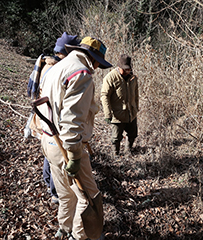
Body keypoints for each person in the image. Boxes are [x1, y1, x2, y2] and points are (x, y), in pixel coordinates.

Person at [38, 36, 112, 240]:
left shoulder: (57, 67)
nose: (98, 68)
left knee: (65, 193)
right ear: (94, 58)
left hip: (48, 140)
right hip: (65, 145)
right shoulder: (82, 73)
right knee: (89, 196)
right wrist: (74, 154)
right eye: (99, 63)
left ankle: (64, 227)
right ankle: (80, 237)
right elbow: (72, 119)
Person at [25, 32, 81, 204]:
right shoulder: (55, 68)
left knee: (49, 154)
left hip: (45, 117)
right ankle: (54, 190)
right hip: (49, 118)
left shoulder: (47, 64)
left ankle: (50, 184)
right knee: (53, 154)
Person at [101, 54, 139, 156]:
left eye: (129, 69)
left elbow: (136, 94)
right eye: (125, 69)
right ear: (119, 67)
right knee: (116, 138)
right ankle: (115, 155)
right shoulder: (110, 78)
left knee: (133, 134)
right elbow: (105, 96)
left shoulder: (133, 78)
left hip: (131, 112)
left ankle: (128, 150)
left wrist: (136, 108)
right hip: (117, 114)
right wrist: (107, 114)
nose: (127, 71)